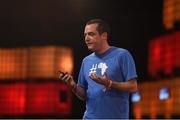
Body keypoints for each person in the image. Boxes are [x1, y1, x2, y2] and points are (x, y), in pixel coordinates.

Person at [58, 19, 138, 119]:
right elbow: (83, 95)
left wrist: (109, 83)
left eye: (91, 34)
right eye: (85, 35)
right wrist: (73, 85)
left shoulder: (122, 55)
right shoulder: (86, 61)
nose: (86, 39)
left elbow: (133, 86)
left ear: (104, 35)